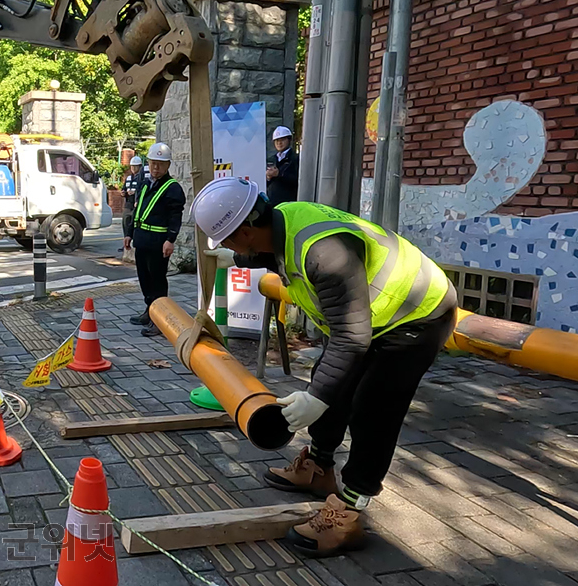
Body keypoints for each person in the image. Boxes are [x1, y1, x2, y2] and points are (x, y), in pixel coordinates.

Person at [191, 177, 457, 558]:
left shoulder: (324, 254)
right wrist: (232, 259)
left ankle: (350, 509)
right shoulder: (279, 222)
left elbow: (352, 338)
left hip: (417, 314)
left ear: (246, 231)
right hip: (368, 317)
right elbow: (262, 254)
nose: (230, 248)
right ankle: (318, 468)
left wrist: (316, 398)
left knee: (373, 408)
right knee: (331, 380)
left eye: (228, 242)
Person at [124, 143, 186, 337]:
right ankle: (150, 311)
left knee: (157, 280)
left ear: (168, 165)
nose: (156, 168)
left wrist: (170, 239)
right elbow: (137, 211)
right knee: (144, 279)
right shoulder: (144, 184)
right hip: (142, 239)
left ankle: (160, 320)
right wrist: (129, 233)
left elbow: (175, 216)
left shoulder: (173, 188)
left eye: (160, 164)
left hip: (159, 242)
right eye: (153, 163)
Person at [266, 125, 299, 206]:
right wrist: (268, 178)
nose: (279, 143)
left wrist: (279, 174)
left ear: (289, 140)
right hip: (272, 202)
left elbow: (297, 179)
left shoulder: (295, 158)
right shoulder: (272, 159)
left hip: (288, 202)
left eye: (282, 139)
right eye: (277, 140)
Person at [120, 155, 149, 248]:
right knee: (125, 222)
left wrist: (135, 193)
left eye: (135, 166)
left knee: (135, 224)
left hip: (137, 204)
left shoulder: (143, 177)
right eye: (132, 166)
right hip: (128, 204)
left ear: (140, 167)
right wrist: (124, 192)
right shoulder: (129, 178)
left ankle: (135, 243)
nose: (133, 168)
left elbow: (143, 189)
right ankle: (126, 241)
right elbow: (124, 189)